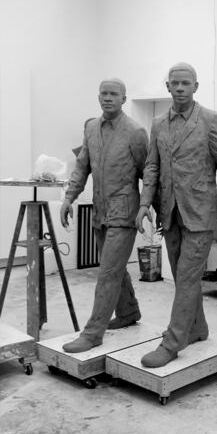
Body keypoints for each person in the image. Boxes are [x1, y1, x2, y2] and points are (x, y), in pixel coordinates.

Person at [136, 62, 217, 368]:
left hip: (200, 213)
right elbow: (152, 166)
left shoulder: (210, 120)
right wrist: (145, 203)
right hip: (169, 212)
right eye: (175, 83)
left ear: (196, 87)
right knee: (187, 279)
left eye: (186, 83)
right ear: (167, 86)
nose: (180, 88)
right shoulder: (158, 124)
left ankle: (172, 342)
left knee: (184, 279)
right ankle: (198, 328)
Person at [61, 78, 148, 353]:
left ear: (124, 99)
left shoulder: (135, 132)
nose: (108, 98)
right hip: (100, 210)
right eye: (104, 93)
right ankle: (128, 311)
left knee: (107, 272)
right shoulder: (90, 128)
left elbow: (150, 173)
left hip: (124, 212)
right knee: (114, 267)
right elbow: (81, 166)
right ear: (98, 97)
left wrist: (150, 207)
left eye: (114, 94)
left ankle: (93, 332)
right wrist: (68, 197)